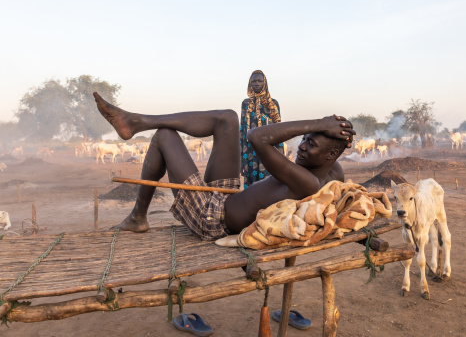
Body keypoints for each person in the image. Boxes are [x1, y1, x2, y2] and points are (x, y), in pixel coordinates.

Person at [93, 92, 355, 240]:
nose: (302, 146)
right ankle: (137, 122)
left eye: (311, 143)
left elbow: (257, 137)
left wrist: (319, 124)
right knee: (228, 118)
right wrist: (325, 128)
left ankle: (137, 217)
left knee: (164, 136)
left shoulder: (308, 182)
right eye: (305, 140)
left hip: (212, 218)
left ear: (331, 153)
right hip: (225, 195)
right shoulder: (335, 172)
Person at [240, 70, 285, 188]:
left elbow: (279, 131)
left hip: (268, 150)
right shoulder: (245, 104)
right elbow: (242, 130)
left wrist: (281, 159)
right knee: (251, 186)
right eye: (254, 81)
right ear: (250, 83)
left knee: (269, 183)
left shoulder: (272, 104)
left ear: (264, 83)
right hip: (249, 151)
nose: (256, 83)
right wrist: (241, 159)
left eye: (259, 81)